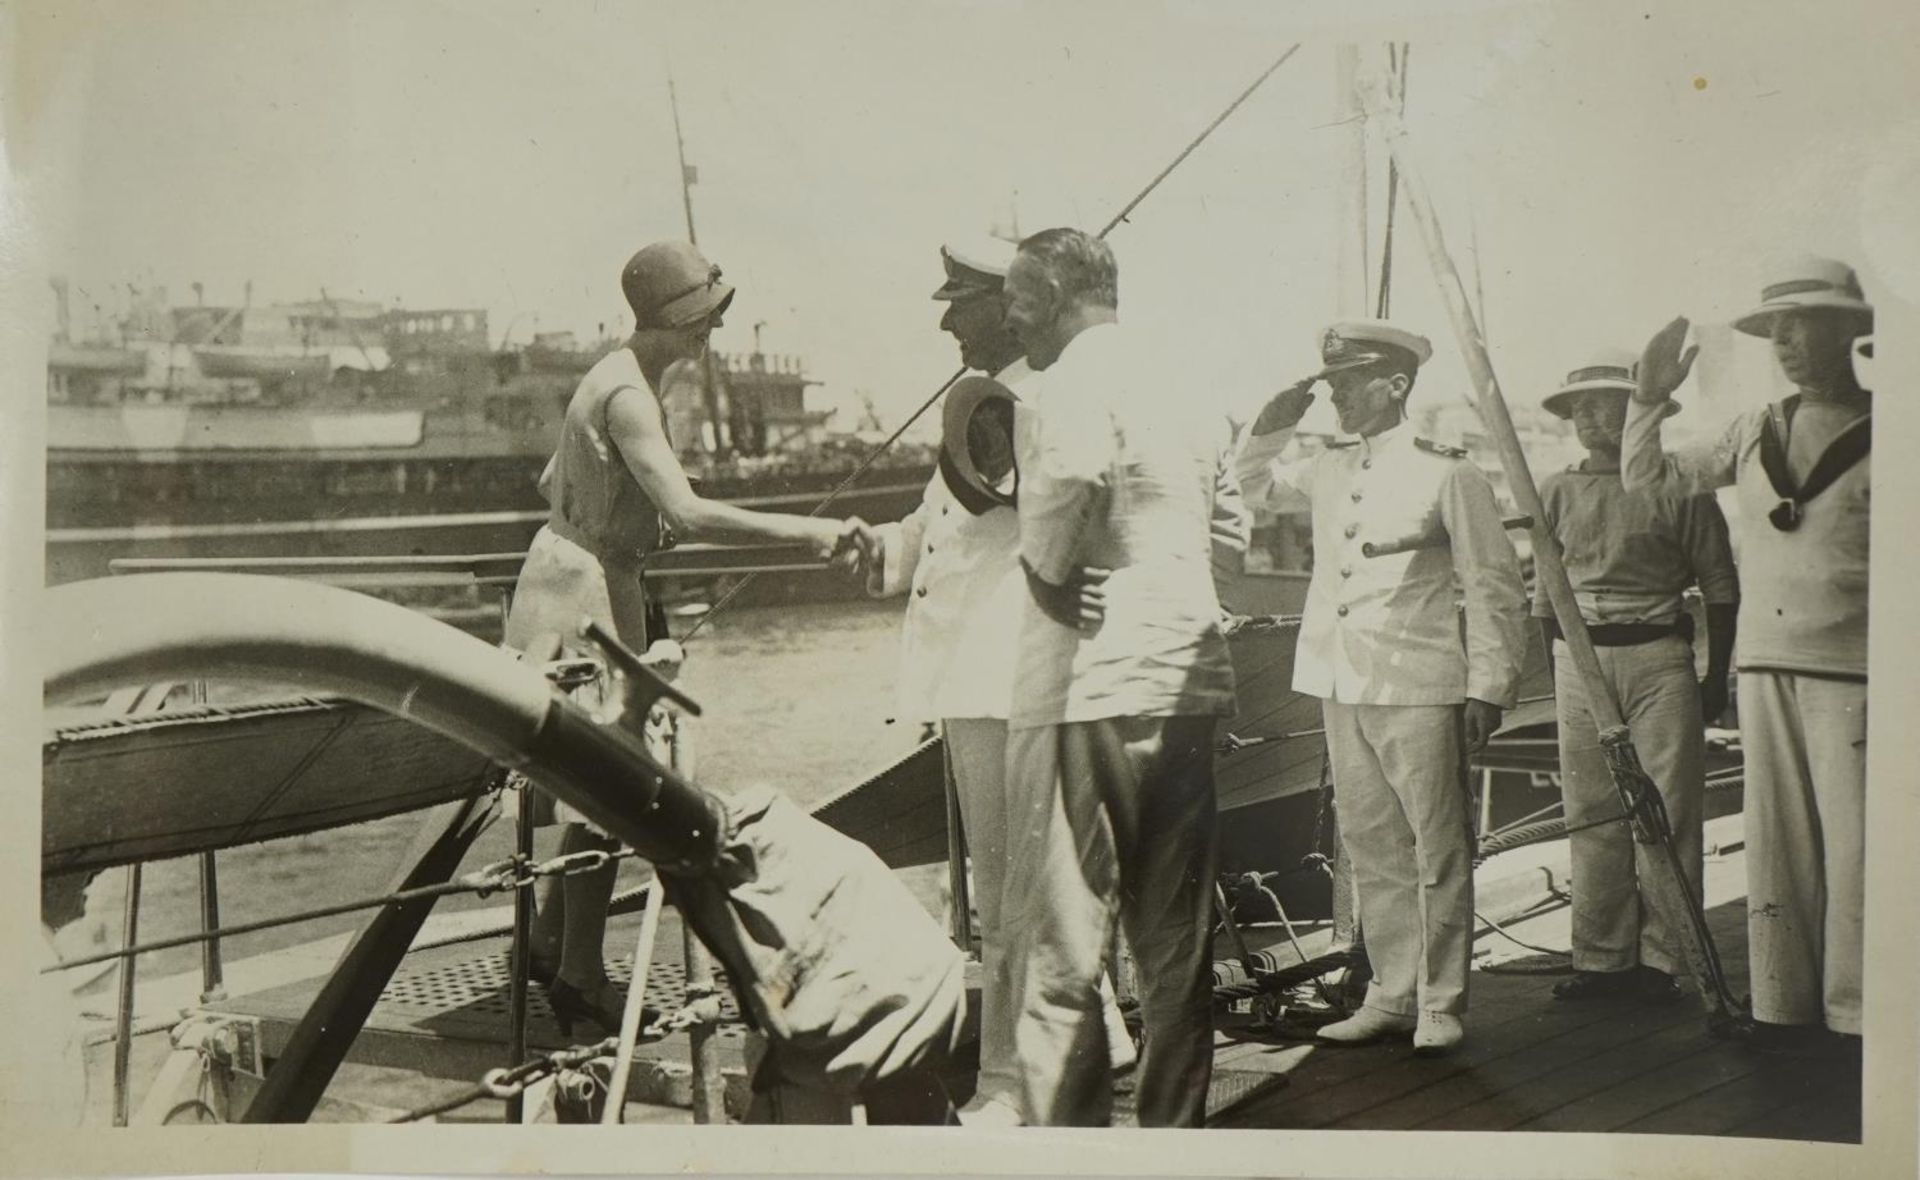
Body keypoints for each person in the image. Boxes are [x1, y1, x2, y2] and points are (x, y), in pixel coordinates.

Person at [504, 239, 875, 1035]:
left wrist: (616, 526)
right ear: (676, 318)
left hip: (565, 576)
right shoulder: (632, 395)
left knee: (578, 773)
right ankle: (577, 973)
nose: (713, 329)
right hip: (591, 592)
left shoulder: (615, 375)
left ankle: (545, 939)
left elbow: (554, 483)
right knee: (608, 777)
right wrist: (807, 537)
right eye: (705, 316)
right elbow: (690, 513)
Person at [864, 237, 1139, 1127]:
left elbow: (1049, 521)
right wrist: (877, 546)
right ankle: (1098, 1036)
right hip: (975, 681)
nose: (946, 320)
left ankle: (1012, 1087)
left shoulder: (1035, 401)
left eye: (963, 304)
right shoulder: (986, 402)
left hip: (1012, 677)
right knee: (1015, 885)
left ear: (1011, 302)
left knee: (1012, 896)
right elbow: (943, 521)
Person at [998, 227, 1241, 1126]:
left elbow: (1070, 473)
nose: (1013, 316)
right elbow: (1233, 532)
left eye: (1021, 297)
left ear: (1062, 289)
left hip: (1089, 686)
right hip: (1186, 676)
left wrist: (1045, 575)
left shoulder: (1069, 382)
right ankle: (1172, 1141)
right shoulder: (1185, 378)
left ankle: (1072, 1152)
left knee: (1066, 949)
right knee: (1176, 942)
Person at [1235, 320, 1527, 1055]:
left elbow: (1493, 587)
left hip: (1419, 684)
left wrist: (1489, 687)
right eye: (1329, 381)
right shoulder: (1331, 467)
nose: (1333, 392)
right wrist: (1269, 430)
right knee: (1370, 845)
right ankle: (1393, 995)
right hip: (1342, 678)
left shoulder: (1447, 472)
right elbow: (1250, 491)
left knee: (1439, 846)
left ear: (1394, 384)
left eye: (1346, 381)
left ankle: (1442, 1000)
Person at [1625, 255, 1872, 1055]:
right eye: (1778, 329)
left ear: (1849, 330)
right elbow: (1650, 480)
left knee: (1860, 844)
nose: (1790, 342)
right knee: (1777, 842)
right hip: (1765, 665)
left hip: (1862, 671)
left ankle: (1860, 1014)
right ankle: (1782, 1006)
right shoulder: (1753, 429)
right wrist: (1646, 400)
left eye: (1806, 325)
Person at [1533, 348, 1739, 1004]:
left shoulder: (1680, 484)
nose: (1591, 417)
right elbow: (1545, 592)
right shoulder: (1556, 488)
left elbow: (1719, 584)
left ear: (1639, 411)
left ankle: (1667, 957)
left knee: (1671, 810)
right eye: (1579, 407)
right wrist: (1563, 664)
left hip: (1659, 656)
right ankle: (1601, 959)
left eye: (1607, 403)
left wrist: (1713, 677)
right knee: (1592, 811)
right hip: (1581, 660)